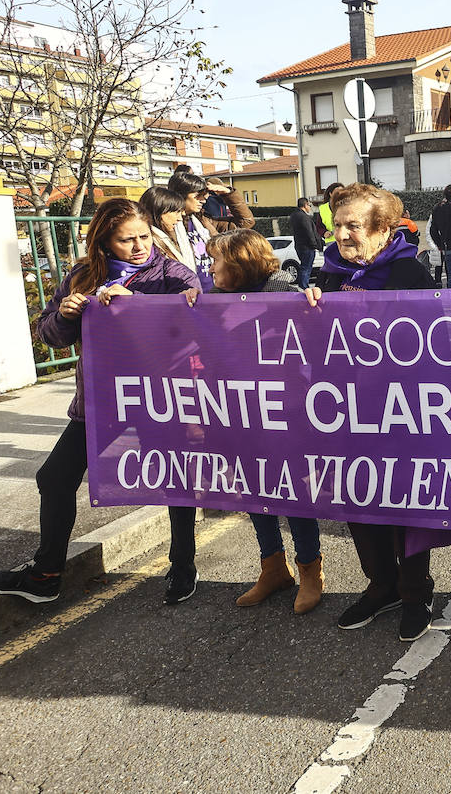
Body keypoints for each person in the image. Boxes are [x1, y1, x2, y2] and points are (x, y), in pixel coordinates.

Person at [0, 199, 203, 606]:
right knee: (55, 478)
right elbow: (50, 335)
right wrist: (64, 314)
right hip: (100, 400)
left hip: (158, 398)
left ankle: (183, 567)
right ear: (103, 242)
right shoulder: (82, 275)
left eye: (143, 236)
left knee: (173, 480)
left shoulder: (171, 271)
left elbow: (200, 315)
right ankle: (45, 576)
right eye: (125, 240)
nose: (138, 246)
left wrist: (144, 306)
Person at [304, 183, 451, 642]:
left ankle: (416, 592)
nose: (341, 234)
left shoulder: (412, 277)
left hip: (405, 416)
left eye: (353, 226)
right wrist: (309, 311)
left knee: (407, 506)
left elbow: (441, 352)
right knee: (360, 502)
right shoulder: (330, 275)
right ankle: (381, 586)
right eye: (336, 225)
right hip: (348, 414)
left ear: (383, 229)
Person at [183, 229, 325, 614]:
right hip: (233, 411)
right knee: (254, 490)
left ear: (241, 265)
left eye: (217, 262)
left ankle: (310, 571)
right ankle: (273, 568)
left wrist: (311, 303)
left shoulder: (285, 292)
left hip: (282, 409)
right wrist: (188, 303)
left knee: (293, 491)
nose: (209, 269)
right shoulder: (211, 299)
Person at [167, 171, 255, 292]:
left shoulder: (205, 221)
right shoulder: (168, 226)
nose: (203, 200)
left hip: (214, 292)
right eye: (198, 196)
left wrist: (228, 193)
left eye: (204, 195)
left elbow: (245, 222)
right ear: (180, 196)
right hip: (187, 295)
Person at [139, 186, 194, 274]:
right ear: (159, 211)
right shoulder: (149, 246)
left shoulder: (164, 238)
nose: (180, 218)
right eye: (176, 212)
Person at [289, 197, 325, 289]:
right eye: (309, 205)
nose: (310, 207)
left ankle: (303, 285)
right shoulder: (303, 217)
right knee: (306, 268)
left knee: (304, 266)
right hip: (307, 246)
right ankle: (304, 286)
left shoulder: (294, 216)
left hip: (299, 246)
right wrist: (315, 245)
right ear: (305, 205)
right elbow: (309, 232)